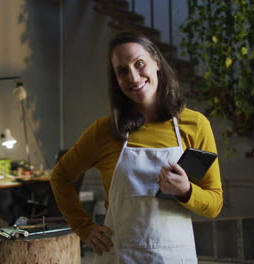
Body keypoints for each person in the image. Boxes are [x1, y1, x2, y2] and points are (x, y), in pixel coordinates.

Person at [51, 31, 223, 263]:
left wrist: (186, 191)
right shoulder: (104, 131)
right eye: (122, 71)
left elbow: (214, 204)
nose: (133, 77)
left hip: (173, 256)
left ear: (157, 63)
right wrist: (85, 228)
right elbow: (60, 176)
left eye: (139, 64)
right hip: (120, 255)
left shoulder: (195, 125)